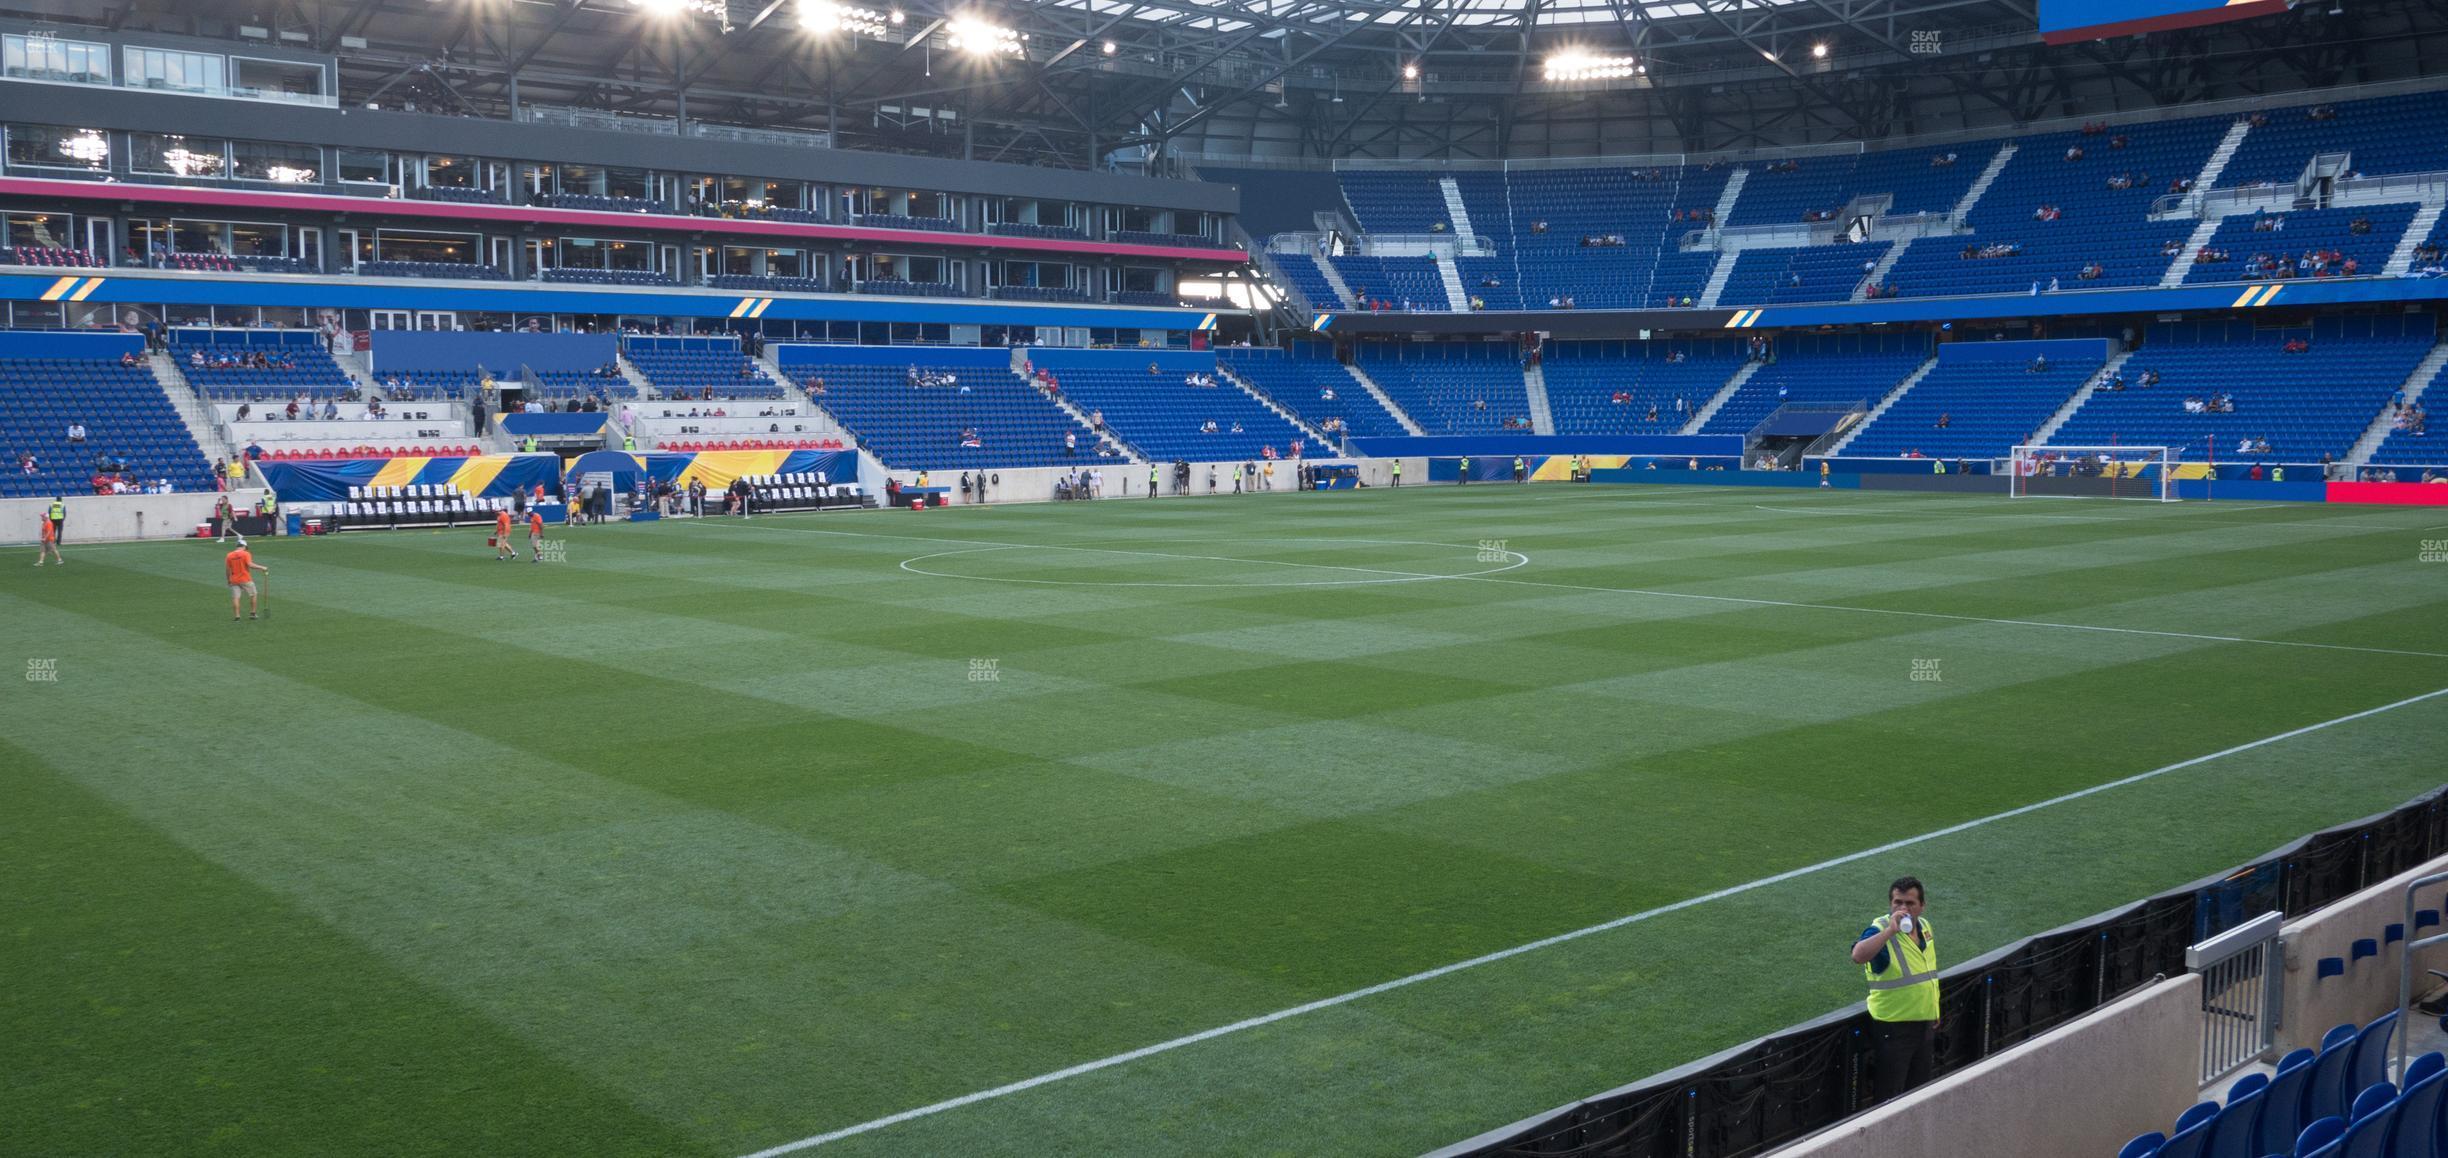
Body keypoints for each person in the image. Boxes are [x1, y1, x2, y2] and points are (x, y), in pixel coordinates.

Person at [1852, 876, 1940, 1102]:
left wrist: (1935, 1010)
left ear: (1922, 906)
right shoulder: (1880, 929)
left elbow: (1928, 973)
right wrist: (1890, 931)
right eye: (1897, 903)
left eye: (1910, 903)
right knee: (1890, 1097)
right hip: (1894, 1029)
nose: (1903, 909)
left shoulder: (1925, 927)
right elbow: (1858, 955)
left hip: (1924, 1025)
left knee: (1919, 1093)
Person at [226, 539, 267, 620]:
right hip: (245, 579)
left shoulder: (229, 555)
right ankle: (253, 613)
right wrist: (262, 567)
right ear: (244, 546)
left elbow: (227, 570)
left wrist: (228, 580)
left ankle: (237, 616)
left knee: (236, 598)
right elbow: (250, 565)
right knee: (253, 594)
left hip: (234, 580)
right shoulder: (246, 554)